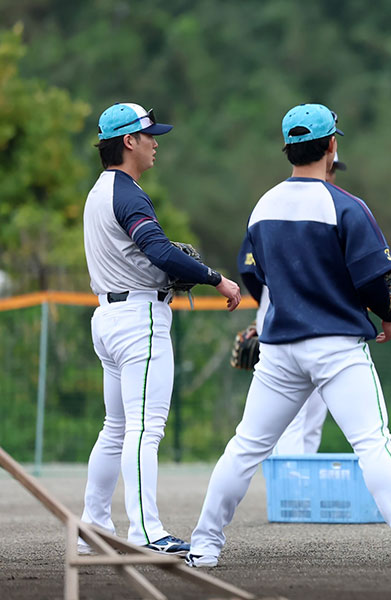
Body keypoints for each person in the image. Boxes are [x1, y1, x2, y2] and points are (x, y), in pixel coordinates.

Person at [186, 103, 391, 568]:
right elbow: (374, 277)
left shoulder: (264, 206)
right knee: (373, 444)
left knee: (245, 447)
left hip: (279, 348)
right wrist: (388, 316)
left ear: (288, 150)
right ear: (332, 145)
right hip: (336, 345)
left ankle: (203, 545)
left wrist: (276, 308)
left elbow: (251, 274)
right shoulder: (345, 205)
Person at [80, 102, 242, 556]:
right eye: (150, 136)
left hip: (109, 318)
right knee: (145, 429)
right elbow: (159, 252)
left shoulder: (99, 192)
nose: (156, 143)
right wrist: (216, 278)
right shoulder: (128, 192)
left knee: (116, 428)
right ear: (128, 141)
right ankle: (145, 531)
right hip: (138, 319)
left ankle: (92, 525)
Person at [236, 154, 348, 454]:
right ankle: (289, 495)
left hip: (326, 327)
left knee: (313, 421)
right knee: (291, 421)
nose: (331, 173)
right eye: (330, 166)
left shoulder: (341, 207)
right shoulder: (277, 204)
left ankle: (303, 493)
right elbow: (249, 267)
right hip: (285, 325)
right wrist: (267, 311)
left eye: (335, 169)